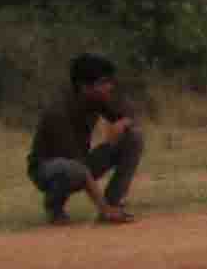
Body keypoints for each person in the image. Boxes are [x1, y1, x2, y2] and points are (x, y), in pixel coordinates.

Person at [29, 52, 144, 224]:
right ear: (85, 87)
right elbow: (78, 167)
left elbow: (132, 115)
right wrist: (104, 208)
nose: (110, 86)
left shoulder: (97, 98)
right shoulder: (57, 112)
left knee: (134, 137)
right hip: (47, 169)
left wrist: (123, 123)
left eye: (110, 81)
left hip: (79, 163)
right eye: (104, 82)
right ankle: (54, 207)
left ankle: (114, 203)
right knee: (73, 169)